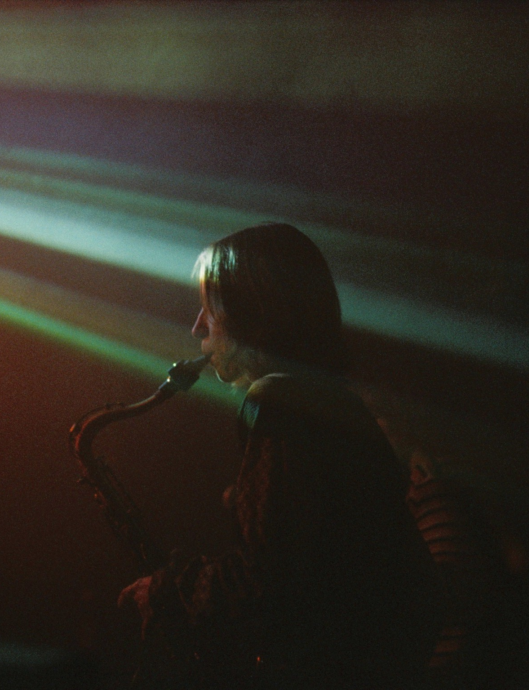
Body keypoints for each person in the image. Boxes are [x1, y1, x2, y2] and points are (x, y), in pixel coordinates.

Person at [119, 223, 441, 689]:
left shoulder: (277, 401)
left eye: (210, 309)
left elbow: (265, 577)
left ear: (254, 311)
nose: (197, 327)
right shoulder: (334, 402)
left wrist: (170, 591)